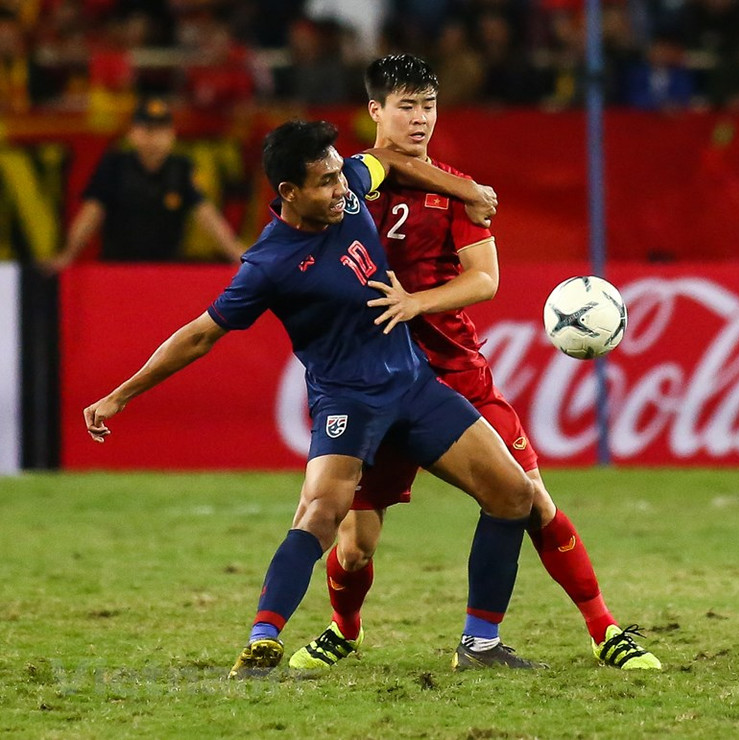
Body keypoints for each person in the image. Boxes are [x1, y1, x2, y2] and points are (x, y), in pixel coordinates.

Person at [82, 119, 547, 678]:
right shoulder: (269, 265)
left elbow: (389, 160)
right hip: (348, 403)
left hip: (415, 385)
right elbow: (202, 334)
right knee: (324, 516)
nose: (343, 189)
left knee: (514, 495)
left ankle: (480, 644)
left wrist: (466, 190)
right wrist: (121, 395)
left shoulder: (350, 182)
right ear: (289, 193)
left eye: (339, 175)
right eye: (325, 182)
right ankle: (263, 639)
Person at [288, 54, 662, 673]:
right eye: (405, 106)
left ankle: (602, 630)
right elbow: (386, 171)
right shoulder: (347, 183)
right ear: (375, 110)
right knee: (354, 548)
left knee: (530, 497)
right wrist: (469, 189)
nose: (419, 119)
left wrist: (416, 301)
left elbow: (484, 280)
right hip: (372, 385)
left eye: (429, 106)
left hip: (455, 372)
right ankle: (342, 629)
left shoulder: (452, 190)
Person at [43, 96, 246, 273]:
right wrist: (68, 254)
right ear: (133, 133)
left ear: (171, 135)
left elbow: (206, 215)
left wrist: (236, 253)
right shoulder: (115, 165)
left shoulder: (181, 168)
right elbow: (91, 214)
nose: (154, 138)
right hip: (118, 269)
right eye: (148, 130)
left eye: (161, 130)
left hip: (166, 270)